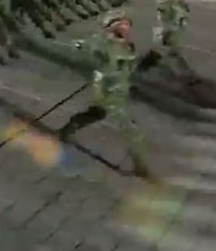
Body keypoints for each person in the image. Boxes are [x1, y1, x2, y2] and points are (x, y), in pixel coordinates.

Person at [57, 11, 156, 180]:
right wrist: (82, 47)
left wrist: (143, 64)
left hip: (119, 86)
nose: (126, 27)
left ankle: (69, 128)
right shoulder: (101, 42)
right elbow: (80, 45)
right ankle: (139, 165)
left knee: (98, 113)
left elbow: (127, 66)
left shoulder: (127, 45)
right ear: (111, 27)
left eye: (127, 24)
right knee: (128, 127)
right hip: (107, 88)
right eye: (122, 24)